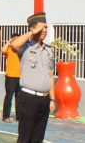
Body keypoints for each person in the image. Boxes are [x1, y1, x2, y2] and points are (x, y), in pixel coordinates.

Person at [9, 12, 56, 143]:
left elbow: (50, 74)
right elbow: (13, 45)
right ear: (33, 28)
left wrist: (52, 99)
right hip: (28, 99)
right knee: (25, 138)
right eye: (42, 27)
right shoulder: (25, 47)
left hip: (44, 99)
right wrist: (31, 32)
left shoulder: (48, 50)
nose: (45, 31)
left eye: (46, 27)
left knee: (38, 138)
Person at [2, 32, 21, 123]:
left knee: (19, 98)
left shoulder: (21, 49)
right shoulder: (9, 49)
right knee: (9, 97)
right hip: (10, 77)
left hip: (20, 77)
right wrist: (9, 42)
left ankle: (19, 116)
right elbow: (3, 50)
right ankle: (6, 116)